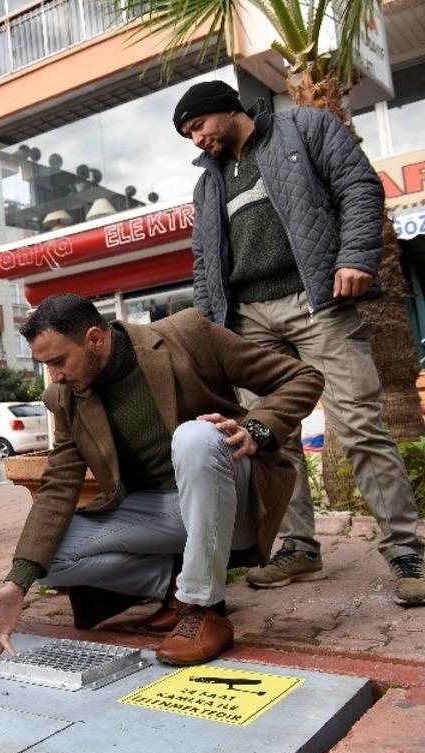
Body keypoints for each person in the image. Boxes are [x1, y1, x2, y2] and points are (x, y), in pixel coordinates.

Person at [175, 80, 425, 604]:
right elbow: (204, 261)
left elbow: (357, 186)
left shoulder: (303, 127)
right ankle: (298, 548)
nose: (196, 140)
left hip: (318, 301)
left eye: (197, 126)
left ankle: (406, 550)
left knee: (359, 424)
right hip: (249, 321)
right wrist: (212, 323)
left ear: (224, 109)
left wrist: (356, 255)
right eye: (187, 135)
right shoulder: (210, 182)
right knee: (269, 438)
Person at [0, 295, 323, 665]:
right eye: (46, 365)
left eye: (58, 361)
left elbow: (303, 376)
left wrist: (257, 428)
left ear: (94, 339)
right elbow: (58, 486)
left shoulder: (188, 335)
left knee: (195, 436)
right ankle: (177, 586)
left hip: (232, 498)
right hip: (166, 513)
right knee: (47, 557)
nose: (54, 376)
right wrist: (17, 584)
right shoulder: (68, 396)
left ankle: (205, 609)